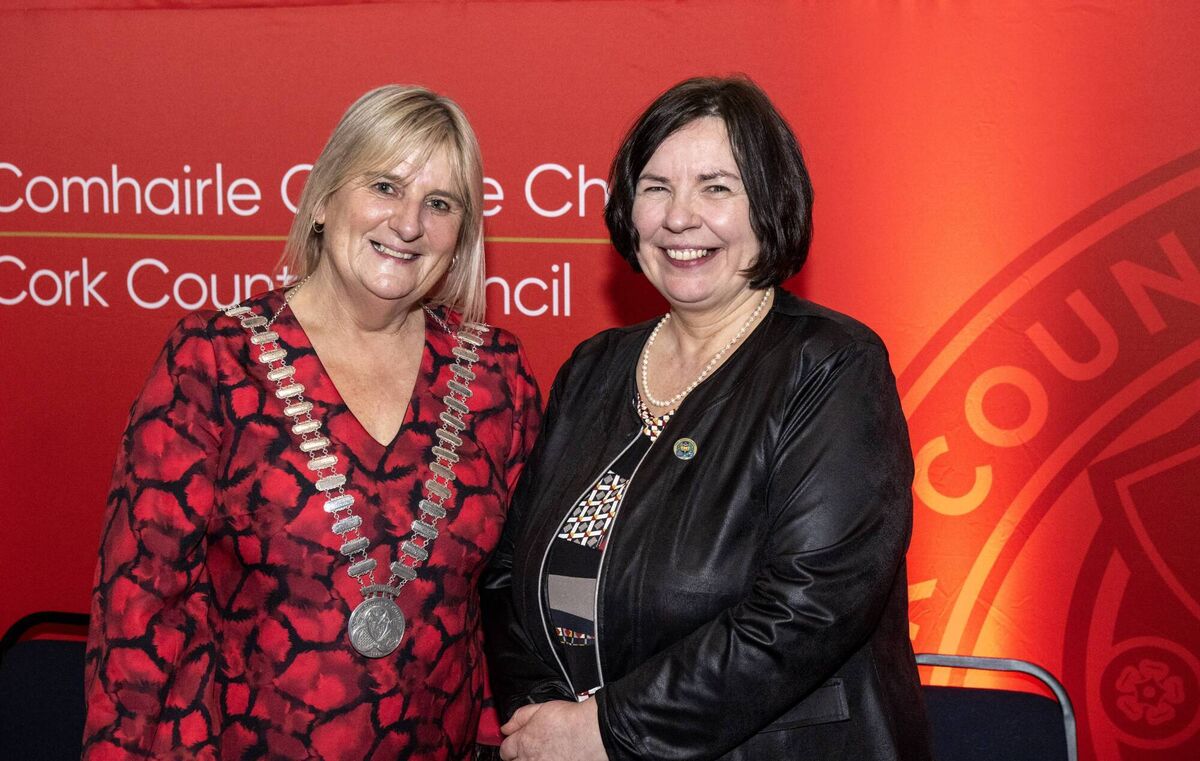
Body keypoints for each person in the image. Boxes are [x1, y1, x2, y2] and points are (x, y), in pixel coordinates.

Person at [82, 85, 541, 760]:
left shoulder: (498, 376)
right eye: (385, 185)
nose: (409, 223)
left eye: (439, 203)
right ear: (325, 199)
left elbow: (518, 604)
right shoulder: (213, 361)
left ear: (461, 232)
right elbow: (140, 611)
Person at [482, 76, 932, 761]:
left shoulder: (831, 365)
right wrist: (543, 718)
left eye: (716, 187)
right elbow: (510, 571)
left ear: (770, 205)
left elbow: (804, 611)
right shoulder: (593, 368)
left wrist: (605, 731)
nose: (679, 217)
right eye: (656, 187)